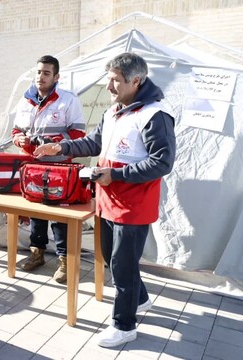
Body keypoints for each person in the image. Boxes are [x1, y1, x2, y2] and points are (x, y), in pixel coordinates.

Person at [34, 52, 176, 347]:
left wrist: (117, 174)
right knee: (113, 258)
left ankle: (124, 325)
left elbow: (162, 162)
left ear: (136, 81)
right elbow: (94, 142)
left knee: (122, 265)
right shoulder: (114, 111)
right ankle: (140, 300)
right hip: (108, 197)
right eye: (108, 79)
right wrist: (59, 147)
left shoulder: (155, 115)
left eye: (115, 81)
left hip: (134, 204)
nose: (109, 87)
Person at [11, 55, 85, 283]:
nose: (40, 77)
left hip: (59, 168)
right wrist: (20, 140)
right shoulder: (25, 101)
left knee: (60, 215)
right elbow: (15, 132)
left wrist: (54, 142)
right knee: (36, 213)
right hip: (33, 167)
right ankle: (37, 253)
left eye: (46, 73)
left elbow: (79, 134)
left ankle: (65, 260)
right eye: (38, 72)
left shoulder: (68, 100)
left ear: (56, 77)